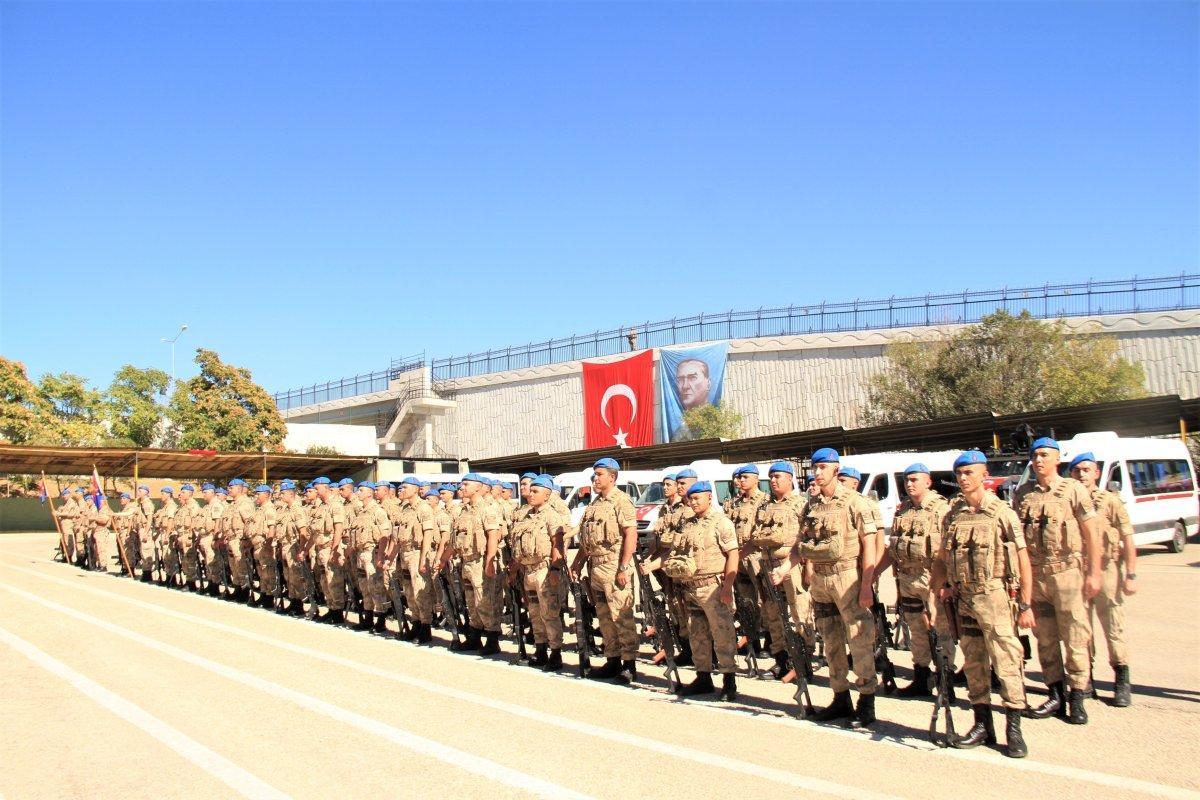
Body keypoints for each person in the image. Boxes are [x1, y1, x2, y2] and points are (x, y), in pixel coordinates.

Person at [931, 450, 1032, 758]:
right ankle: (981, 724)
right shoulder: (953, 514)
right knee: (974, 662)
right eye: (959, 474)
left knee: (1006, 661)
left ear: (983, 475)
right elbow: (942, 558)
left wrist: (1026, 605)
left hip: (995, 597)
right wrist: (937, 591)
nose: (963, 479)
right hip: (963, 598)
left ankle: (1013, 729)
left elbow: (1024, 558)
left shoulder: (1001, 512)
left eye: (969, 473)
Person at [771, 448, 878, 728]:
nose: (817, 473)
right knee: (830, 641)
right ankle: (840, 696)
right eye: (815, 468)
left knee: (859, 639)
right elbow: (800, 546)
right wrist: (785, 568)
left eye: (822, 468)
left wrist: (867, 584)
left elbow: (870, 546)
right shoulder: (812, 506)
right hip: (821, 580)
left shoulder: (857, 503)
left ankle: (866, 702)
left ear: (836, 471)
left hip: (848, 578)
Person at [1013, 437, 1101, 725]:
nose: (1038, 460)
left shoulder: (1073, 490)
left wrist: (1094, 573)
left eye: (1044, 455)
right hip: (1036, 576)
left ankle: (1078, 696)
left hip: (1066, 573)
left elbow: (1091, 534)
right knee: (1046, 639)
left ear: (1057, 459)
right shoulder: (1023, 493)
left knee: (1075, 636)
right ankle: (1055, 694)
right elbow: (1016, 541)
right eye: (1034, 456)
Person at [875, 463, 954, 697]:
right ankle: (921, 675)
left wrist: (946, 583)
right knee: (916, 630)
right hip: (908, 579)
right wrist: (875, 571)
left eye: (914, 480)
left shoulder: (942, 510)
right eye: (907, 480)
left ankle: (945, 679)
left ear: (928, 482)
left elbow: (949, 550)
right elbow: (893, 548)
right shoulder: (904, 510)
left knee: (941, 630)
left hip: (933, 579)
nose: (909, 484)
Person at [1068, 452, 1136, 707]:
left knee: (1113, 628)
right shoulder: (1069, 501)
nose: (1081, 475)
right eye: (1076, 471)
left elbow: (1128, 538)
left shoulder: (1110, 502)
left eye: (1086, 470)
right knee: (1080, 630)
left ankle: (1121, 678)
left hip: (1107, 570)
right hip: (1078, 571)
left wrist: (1130, 574)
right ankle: (1086, 680)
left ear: (1096, 473)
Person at [569, 458, 639, 684]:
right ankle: (612, 659)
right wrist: (578, 562)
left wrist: (623, 566)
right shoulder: (594, 504)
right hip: (595, 566)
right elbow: (587, 539)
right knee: (604, 615)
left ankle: (629, 664)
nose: (595, 478)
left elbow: (630, 534)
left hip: (613, 565)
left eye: (599, 474)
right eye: (594, 475)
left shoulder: (621, 501)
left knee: (621, 615)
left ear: (613, 477)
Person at [668, 481, 740, 700]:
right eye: (691, 498)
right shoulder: (688, 524)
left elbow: (733, 555)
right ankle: (703, 677)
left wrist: (728, 586)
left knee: (722, 633)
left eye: (698, 498)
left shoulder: (721, 523)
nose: (693, 502)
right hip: (690, 588)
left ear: (709, 497)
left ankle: (729, 679)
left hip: (713, 587)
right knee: (697, 633)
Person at [748, 462, 814, 680]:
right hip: (768, 565)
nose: (773, 481)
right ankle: (781, 660)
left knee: (799, 614)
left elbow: (808, 539)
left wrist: (808, 569)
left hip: (792, 565)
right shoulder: (764, 506)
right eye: (771, 477)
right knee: (774, 614)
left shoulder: (801, 505)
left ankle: (803, 663)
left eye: (777, 476)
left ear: (789, 478)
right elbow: (755, 536)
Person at [509, 474, 567, 670]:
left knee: (549, 612)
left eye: (536, 491)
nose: (531, 495)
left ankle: (555, 653)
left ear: (547, 494)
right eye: (530, 491)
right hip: (528, 571)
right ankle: (540, 649)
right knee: (534, 612)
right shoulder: (526, 516)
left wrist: (555, 568)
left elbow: (557, 543)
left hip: (544, 569)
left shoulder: (551, 515)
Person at [443, 474, 504, 652]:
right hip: (466, 562)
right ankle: (474, 636)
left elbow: (493, 535)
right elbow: (455, 540)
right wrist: (443, 559)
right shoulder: (463, 510)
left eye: (466, 484)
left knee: (484, 600)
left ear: (478, 487)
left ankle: (492, 639)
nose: (462, 488)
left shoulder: (487, 509)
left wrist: (490, 562)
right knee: (471, 602)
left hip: (480, 561)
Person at [639, 470, 694, 666]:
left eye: (670, 484)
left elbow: (675, 546)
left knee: (686, 610)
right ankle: (685, 648)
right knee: (675, 607)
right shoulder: (665, 510)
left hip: (677, 565)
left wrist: (654, 563)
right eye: (666, 485)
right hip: (664, 566)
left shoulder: (687, 510)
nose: (667, 488)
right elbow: (659, 538)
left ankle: (698, 652)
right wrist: (648, 557)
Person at [385, 477, 438, 642]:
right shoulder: (404, 509)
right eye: (400, 487)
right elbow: (396, 536)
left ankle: (425, 626)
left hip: (417, 552)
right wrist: (390, 558)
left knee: (420, 590)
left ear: (416, 489)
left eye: (405, 487)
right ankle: (415, 622)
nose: (402, 489)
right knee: (408, 591)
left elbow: (428, 533)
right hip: (404, 553)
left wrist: (423, 559)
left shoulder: (424, 508)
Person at [311, 477, 349, 624]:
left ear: (325, 488)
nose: (315, 491)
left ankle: (337, 611)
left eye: (317, 488)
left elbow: (338, 528)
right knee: (324, 581)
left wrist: (335, 550)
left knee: (334, 580)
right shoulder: (321, 506)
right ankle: (331, 608)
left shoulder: (336, 505)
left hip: (330, 548)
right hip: (320, 548)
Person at [155, 486, 179, 586]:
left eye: (163, 494)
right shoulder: (164, 506)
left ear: (169, 494)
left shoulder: (171, 506)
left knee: (169, 556)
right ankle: (168, 576)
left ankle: (172, 578)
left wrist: (166, 535)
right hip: (162, 532)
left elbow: (170, 522)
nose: (161, 496)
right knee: (165, 556)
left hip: (168, 533)